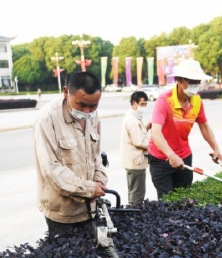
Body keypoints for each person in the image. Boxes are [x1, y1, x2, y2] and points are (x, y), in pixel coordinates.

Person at [33, 72, 108, 233]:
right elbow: (51, 170)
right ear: (66, 92)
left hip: (91, 208)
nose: (87, 111)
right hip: (63, 213)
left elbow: (96, 155)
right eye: (81, 105)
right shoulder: (47, 118)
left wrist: (100, 180)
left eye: (93, 105)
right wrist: (88, 188)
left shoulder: (93, 116)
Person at [148, 58, 222, 199]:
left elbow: (204, 126)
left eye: (198, 81)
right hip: (161, 158)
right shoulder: (164, 101)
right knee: (167, 201)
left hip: (184, 156)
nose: (196, 85)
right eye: (192, 81)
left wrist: (216, 149)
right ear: (180, 80)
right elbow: (156, 133)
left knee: (184, 199)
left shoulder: (197, 100)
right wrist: (171, 155)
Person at [120, 91, 151, 206]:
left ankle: (132, 215)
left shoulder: (134, 117)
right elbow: (139, 141)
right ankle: (134, 216)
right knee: (137, 193)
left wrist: (146, 128)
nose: (144, 107)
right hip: (136, 163)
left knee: (133, 191)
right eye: (142, 104)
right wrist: (156, 144)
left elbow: (137, 136)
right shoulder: (132, 120)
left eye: (145, 104)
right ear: (134, 103)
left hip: (133, 161)